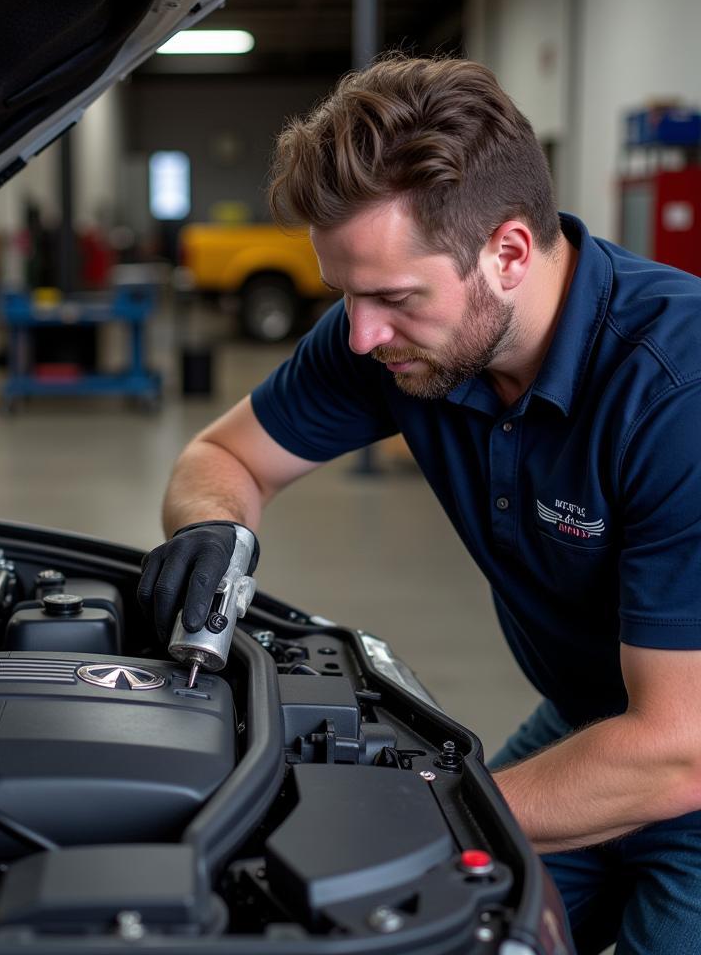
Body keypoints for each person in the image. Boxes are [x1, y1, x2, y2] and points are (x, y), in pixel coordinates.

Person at [137, 56, 701, 955]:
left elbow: (679, 751)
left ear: (509, 252)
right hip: (598, 717)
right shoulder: (399, 341)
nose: (361, 335)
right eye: (346, 296)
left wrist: (422, 809)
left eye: (393, 298)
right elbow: (223, 454)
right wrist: (216, 523)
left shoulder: (677, 392)